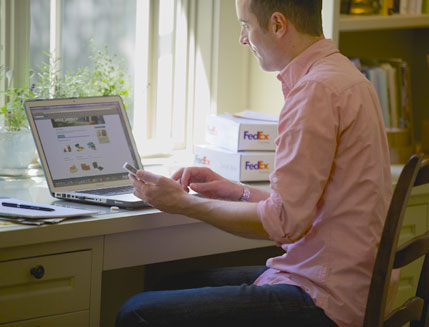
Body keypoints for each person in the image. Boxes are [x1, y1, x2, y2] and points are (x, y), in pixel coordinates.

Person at [116, 0, 392, 326]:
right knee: (165, 284)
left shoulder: (314, 92)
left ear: (277, 25)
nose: (243, 39)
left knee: (137, 312)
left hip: (326, 298)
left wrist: (182, 204)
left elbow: (284, 223)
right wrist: (236, 192)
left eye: (246, 25)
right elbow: (302, 209)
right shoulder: (346, 76)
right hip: (350, 283)